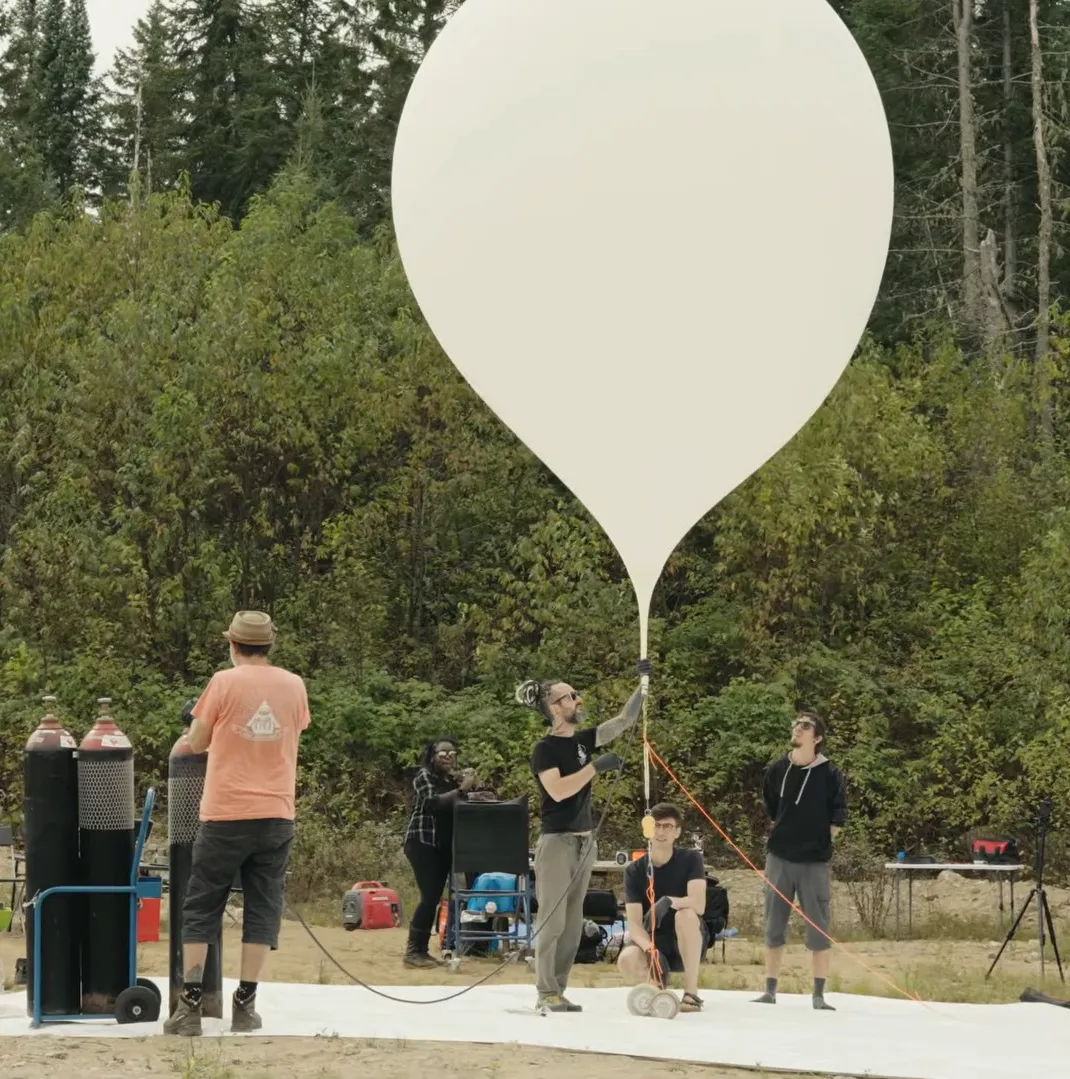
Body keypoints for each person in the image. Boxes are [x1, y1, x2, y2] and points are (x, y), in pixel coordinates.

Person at [164, 611, 311, 1037]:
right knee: (263, 907)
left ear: (232, 644)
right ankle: (245, 1007)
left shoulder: (223, 682)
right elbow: (294, 730)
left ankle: (189, 1008)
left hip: (226, 812)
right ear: (270, 645)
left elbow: (197, 741)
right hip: (277, 812)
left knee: (202, 903)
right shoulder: (294, 685)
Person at [518, 661, 651, 1013]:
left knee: (574, 922)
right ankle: (544, 990)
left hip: (583, 841)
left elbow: (622, 723)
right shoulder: (544, 749)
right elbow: (558, 791)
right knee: (553, 919)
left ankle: (558, 990)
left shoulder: (581, 741)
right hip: (557, 842)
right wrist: (596, 767)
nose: (578, 700)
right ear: (554, 706)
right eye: (570, 696)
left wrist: (643, 687)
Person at [753, 710, 847, 1011]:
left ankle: (818, 994)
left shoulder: (830, 774)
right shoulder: (778, 769)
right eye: (796, 724)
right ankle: (770, 990)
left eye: (805, 726)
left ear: (817, 737)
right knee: (773, 924)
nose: (797, 729)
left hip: (814, 862)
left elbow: (839, 812)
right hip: (779, 857)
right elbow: (770, 803)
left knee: (818, 926)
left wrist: (821, 840)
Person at [401, 736, 486, 967]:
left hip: (442, 845)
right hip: (422, 842)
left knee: (434, 898)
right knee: (429, 897)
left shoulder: (449, 780)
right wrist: (461, 789)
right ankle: (412, 952)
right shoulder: (424, 776)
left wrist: (474, 786)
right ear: (432, 756)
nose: (448, 756)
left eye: (452, 753)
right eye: (443, 753)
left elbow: (464, 801)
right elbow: (432, 803)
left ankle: (420, 951)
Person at [617, 802, 707, 1011]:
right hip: (655, 941)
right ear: (648, 830)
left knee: (685, 915)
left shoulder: (691, 859)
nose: (661, 831)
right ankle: (657, 987)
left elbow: (699, 904)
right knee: (626, 959)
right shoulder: (634, 870)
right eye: (656, 826)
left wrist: (669, 901)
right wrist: (650, 950)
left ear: (677, 832)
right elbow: (635, 924)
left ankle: (691, 994)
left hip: (687, 938)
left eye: (667, 826)